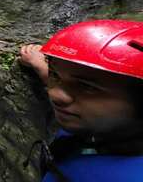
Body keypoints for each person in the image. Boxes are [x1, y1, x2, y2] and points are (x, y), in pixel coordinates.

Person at [19, 20, 143, 182]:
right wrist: (40, 65)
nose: (55, 94)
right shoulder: (110, 121)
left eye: (86, 86)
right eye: (55, 75)